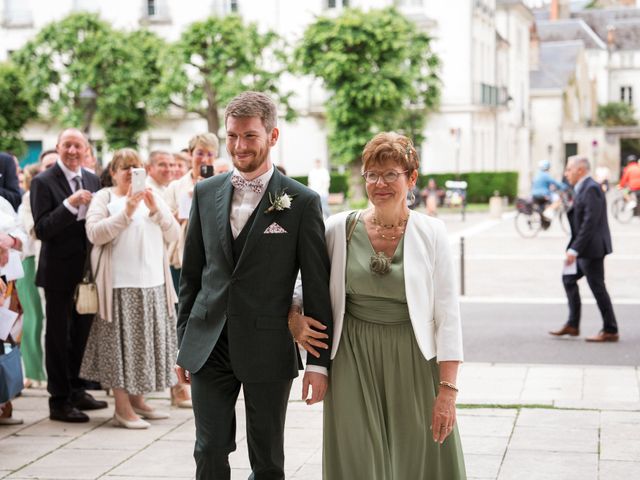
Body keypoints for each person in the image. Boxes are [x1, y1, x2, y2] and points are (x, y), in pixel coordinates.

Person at [175, 91, 332, 479]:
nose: (238, 146)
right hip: (208, 341)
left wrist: (319, 364)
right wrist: (184, 343)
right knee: (208, 449)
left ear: (272, 136)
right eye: (231, 136)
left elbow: (316, 285)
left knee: (267, 460)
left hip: (268, 342)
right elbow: (192, 275)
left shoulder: (302, 201)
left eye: (249, 136)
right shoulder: (205, 192)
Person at [290, 132, 466, 479]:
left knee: (420, 455)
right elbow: (303, 284)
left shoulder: (432, 233)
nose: (379, 183)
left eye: (390, 174)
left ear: (411, 178)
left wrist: (447, 391)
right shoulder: (338, 228)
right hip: (352, 358)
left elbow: (448, 317)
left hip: (415, 358)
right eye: (372, 174)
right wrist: (294, 318)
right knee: (357, 458)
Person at [80, 149, 180, 429]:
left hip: (153, 284)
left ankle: (138, 401)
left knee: (144, 346)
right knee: (120, 348)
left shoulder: (152, 195)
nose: (129, 173)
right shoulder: (105, 197)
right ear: (112, 172)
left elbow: (174, 234)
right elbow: (95, 233)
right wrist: (126, 213)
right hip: (118, 286)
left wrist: (155, 210)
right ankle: (122, 409)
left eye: (135, 167)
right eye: (123, 167)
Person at [30, 128, 105, 423]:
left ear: (86, 150)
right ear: (58, 147)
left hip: (86, 272)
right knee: (59, 337)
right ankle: (58, 400)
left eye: (78, 146)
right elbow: (42, 229)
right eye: (67, 145)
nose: (73, 151)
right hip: (57, 272)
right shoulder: (43, 181)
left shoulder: (92, 178)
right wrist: (68, 205)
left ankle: (77, 390)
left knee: (81, 335)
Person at [550, 155, 619, 342]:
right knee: (569, 278)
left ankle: (610, 329)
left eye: (568, 170)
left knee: (597, 287)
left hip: (592, 249)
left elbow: (590, 223)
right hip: (585, 248)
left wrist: (574, 250)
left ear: (580, 170)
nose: (566, 174)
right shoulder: (581, 188)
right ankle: (573, 324)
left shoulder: (591, 188)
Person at [16, 164, 47, 388]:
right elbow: (31, 231)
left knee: (42, 320)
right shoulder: (28, 198)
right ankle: (34, 372)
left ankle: (40, 372)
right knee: (33, 318)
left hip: (42, 261)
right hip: (29, 262)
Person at [0, 195, 27, 425]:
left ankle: (4, 400)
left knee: (6, 342)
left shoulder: (3, 203)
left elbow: (24, 237)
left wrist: (12, 241)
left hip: (7, 285)